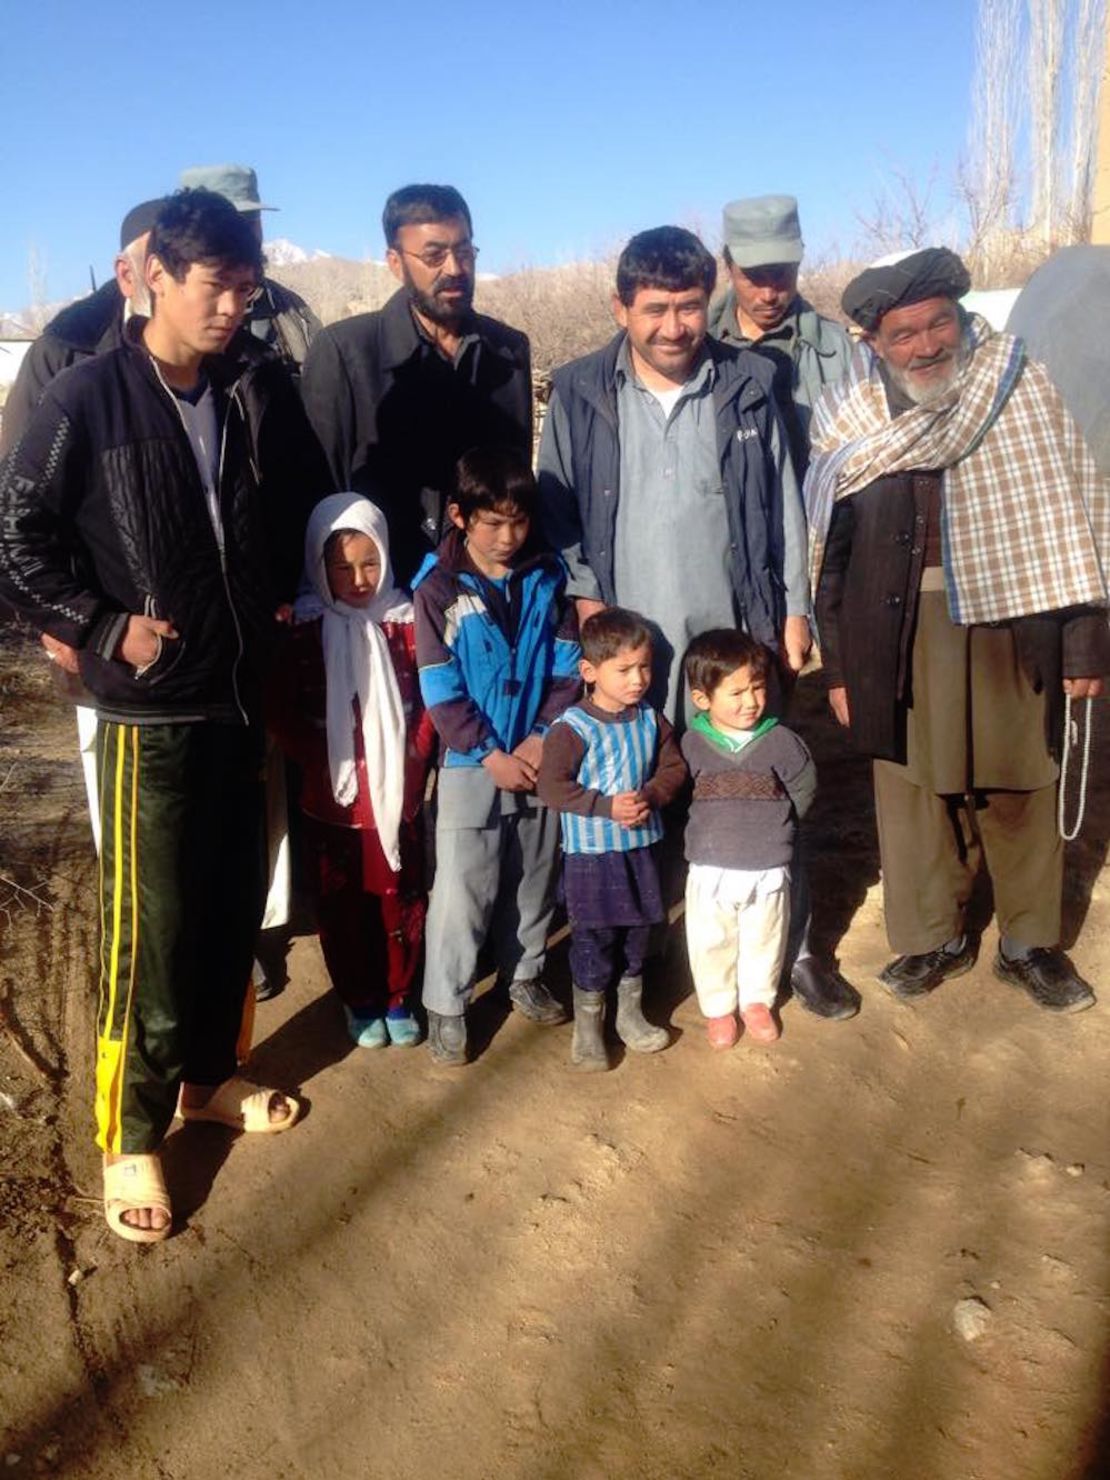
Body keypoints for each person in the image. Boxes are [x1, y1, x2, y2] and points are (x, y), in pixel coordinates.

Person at [0, 189, 326, 1243]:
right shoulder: (87, 396)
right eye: (216, 284)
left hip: (237, 695)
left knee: (235, 904)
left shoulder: (242, 392)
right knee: (153, 928)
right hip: (148, 713)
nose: (235, 306)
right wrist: (99, 623)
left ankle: (208, 1078)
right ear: (154, 276)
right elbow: (14, 538)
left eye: (247, 285)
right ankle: (131, 1134)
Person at [538, 225, 855, 1021]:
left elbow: (784, 499)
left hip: (731, 637)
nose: (674, 326)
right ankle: (651, 955)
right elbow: (558, 504)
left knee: (759, 788)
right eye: (654, 309)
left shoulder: (747, 378)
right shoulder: (579, 389)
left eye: (687, 306)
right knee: (642, 791)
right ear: (620, 307)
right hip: (632, 644)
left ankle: (798, 949)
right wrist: (583, 597)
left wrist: (792, 607)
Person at [809, 246, 1110, 1012]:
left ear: (961, 318)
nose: (926, 346)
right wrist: (839, 670)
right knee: (914, 795)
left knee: (1022, 785)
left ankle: (1028, 943)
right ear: (873, 341)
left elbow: (1077, 515)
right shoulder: (850, 419)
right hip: (896, 634)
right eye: (903, 334)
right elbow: (830, 563)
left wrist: (1083, 642)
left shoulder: (1018, 380)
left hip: (1015, 623)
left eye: (939, 324)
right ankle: (933, 938)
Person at [413, 446, 581, 1065]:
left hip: (539, 752)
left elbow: (567, 669)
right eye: (493, 522)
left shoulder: (547, 578)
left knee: (536, 871)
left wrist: (542, 735)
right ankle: (447, 1003)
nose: (508, 536)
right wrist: (487, 752)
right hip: (470, 763)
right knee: (463, 885)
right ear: (460, 516)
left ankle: (524, 971)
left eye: (519, 521)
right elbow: (441, 689)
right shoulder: (436, 591)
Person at [268, 493, 435, 1047]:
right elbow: (282, 710)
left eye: (370, 563)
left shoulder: (405, 626)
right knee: (346, 904)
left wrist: (414, 757)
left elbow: (431, 700)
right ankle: (358, 997)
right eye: (342, 567)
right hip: (333, 802)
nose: (359, 579)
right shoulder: (306, 633)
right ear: (320, 567)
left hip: (396, 797)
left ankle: (396, 994)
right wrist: (318, 761)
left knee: (400, 897)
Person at [302, 184, 532, 584]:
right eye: (434, 255)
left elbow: (515, 482)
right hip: (380, 595)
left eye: (464, 251)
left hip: (481, 590)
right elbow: (321, 492)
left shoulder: (508, 350)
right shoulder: (345, 351)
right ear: (395, 262)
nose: (455, 268)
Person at [536, 607, 687, 1070]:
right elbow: (551, 786)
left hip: (640, 851)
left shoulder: (650, 720)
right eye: (624, 669)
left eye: (645, 667)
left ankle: (630, 1015)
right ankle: (588, 1030)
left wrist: (652, 795)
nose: (638, 679)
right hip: (591, 859)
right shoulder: (571, 728)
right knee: (594, 939)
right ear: (589, 671)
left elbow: (674, 767)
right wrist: (605, 806)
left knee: (641, 930)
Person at [681, 629, 816, 1047]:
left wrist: (779, 829)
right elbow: (679, 796)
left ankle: (756, 1001)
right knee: (711, 941)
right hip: (711, 870)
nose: (750, 701)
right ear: (702, 699)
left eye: (757, 688)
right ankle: (719, 1008)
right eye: (736, 693)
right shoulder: (691, 745)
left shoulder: (781, 742)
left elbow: (803, 789)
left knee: (765, 938)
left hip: (767, 867)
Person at [1, 197, 164, 455]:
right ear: (126, 274)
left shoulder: (227, 351)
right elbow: (20, 476)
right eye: (158, 263)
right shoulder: (61, 353)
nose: (174, 276)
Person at [708, 195, 852, 479]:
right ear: (728, 267)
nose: (769, 295)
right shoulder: (698, 349)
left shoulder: (841, 350)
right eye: (754, 278)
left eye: (782, 275)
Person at [180, 164, 321, 375]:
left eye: (251, 221)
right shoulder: (150, 316)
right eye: (229, 224)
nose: (243, 235)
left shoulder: (292, 309)